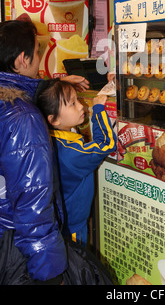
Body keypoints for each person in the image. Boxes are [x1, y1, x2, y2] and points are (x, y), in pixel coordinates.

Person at [0, 20, 111, 285]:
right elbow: (33, 205)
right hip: (19, 246)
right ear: (21, 60)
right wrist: (50, 276)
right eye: (37, 52)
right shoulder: (23, 119)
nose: (40, 58)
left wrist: (58, 83)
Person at [36, 79, 117, 245]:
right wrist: (98, 110)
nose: (81, 106)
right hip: (72, 227)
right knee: (77, 262)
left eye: (77, 100)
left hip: (60, 221)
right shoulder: (71, 153)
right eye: (72, 103)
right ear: (54, 120)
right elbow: (107, 144)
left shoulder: (48, 137)